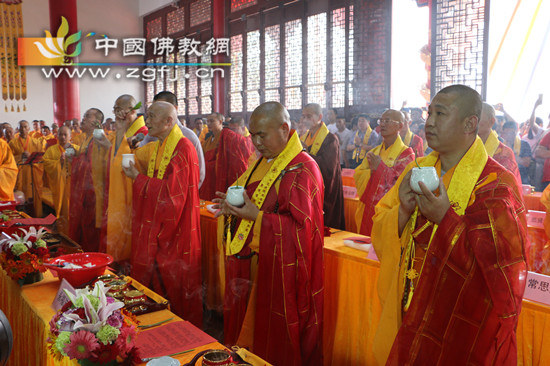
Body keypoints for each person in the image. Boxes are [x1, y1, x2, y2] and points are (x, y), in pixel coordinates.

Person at [371, 85, 527, 365]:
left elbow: (504, 276)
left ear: (470, 123)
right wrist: (403, 212)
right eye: (429, 113)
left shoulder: (496, 184)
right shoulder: (418, 169)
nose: (428, 122)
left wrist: (447, 219)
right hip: (409, 307)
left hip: (459, 326)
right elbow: (380, 223)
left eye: (440, 114)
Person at [213, 101, 323, 366]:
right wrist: (233, 209)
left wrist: (256, 217)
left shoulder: (303, 169)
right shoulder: (261, 164)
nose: (256, 142)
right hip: (252, 267)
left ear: (285, 129)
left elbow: (301, 231)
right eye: (252, 135)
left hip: (279, 273)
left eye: (262, 134)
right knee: (247, 338)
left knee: (271, 342)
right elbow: (252, 200)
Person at [122, 101, 203, 327]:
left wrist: (138, 179)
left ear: (169, 121)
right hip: (163, 228)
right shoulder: (160, 145)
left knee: (177, 287)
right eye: (146, 116)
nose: (147, 121)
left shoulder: (183, 147)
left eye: (152, 116)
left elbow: (172, 196)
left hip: (178, 231)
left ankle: (179, 334)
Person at [97, 94, 148, 264]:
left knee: (129, 236)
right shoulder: (123, 130)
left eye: (120, 109)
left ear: (132, 110)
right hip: (117, 190)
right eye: (115, 109)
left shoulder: (143, 133)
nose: (117, 113)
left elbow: (136, 163)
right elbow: (114, 157)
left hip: (133, 191)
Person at [354, 109, 414, 236]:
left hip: (389, 211)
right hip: (369, 208)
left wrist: (379, 168)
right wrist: (372, 172)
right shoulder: (374, 151)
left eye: (388, 121)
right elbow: (359, 174)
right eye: (381, 120)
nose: (382, 124)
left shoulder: (406, 154)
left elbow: (402, 184)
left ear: (400, 126)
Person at [139, 91, 206, 188]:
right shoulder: (151, 135)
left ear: (174, 109)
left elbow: (199, 173)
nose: (147, 121)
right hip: (155, 193)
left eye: (153, 115)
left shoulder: (188, 137)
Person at [300, 103, 345, 229]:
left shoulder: (330, 139)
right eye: (303, 116)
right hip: (307, 187)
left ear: (320, 116)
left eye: (309, 116)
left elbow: (329, 168)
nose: (305, 120)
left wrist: (306, 153)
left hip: (325, 189)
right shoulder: (304, 137)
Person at [69, 108, 107, 252]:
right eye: (83, 116)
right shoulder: (87, 139)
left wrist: (76, 159)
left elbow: (94, 168)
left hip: (93, 196)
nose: (82, 119)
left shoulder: (98, 140)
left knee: (90, 234)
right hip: (84, 195)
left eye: (86, 116)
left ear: (96, 122)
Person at [199, 112, 254, 201]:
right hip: (208, 176)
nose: (208, 124)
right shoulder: (208, 138)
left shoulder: (227, 136)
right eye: (207, 121)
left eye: (212, 121)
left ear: (220, 122)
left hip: (218, 175)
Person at [43, 126, 77, 233]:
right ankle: (62, 232)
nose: (62, 137)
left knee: (73, 210)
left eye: (65, 135)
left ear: (70, 137)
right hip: (58, 185)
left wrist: (73, 161)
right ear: (57, 136)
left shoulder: (76, 148)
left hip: (73, 185)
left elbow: (83, 164)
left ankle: (73, 232)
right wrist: (59, 163)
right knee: (62, 209)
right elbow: (46, 164)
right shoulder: (51, 150)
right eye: (60, 134)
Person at [478, 103, 522, 186]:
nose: (473, 122)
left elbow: (509, 185)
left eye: (478, 118)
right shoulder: (463, 147)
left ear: (491, 122)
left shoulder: (504, 152)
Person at [9, 120, 45, 216]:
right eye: (21, 127)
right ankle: (21, 217)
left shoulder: (36, 142)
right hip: (20, 175)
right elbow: (9, 159)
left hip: (33, 173)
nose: (23, 129)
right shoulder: (12, 143)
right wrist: (20, 156)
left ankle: (36, 217)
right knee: (21, 198)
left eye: (25, 127)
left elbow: (42, 158)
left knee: (33, 197)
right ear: (18, 129)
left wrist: (31, 156)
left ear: (29, 129)